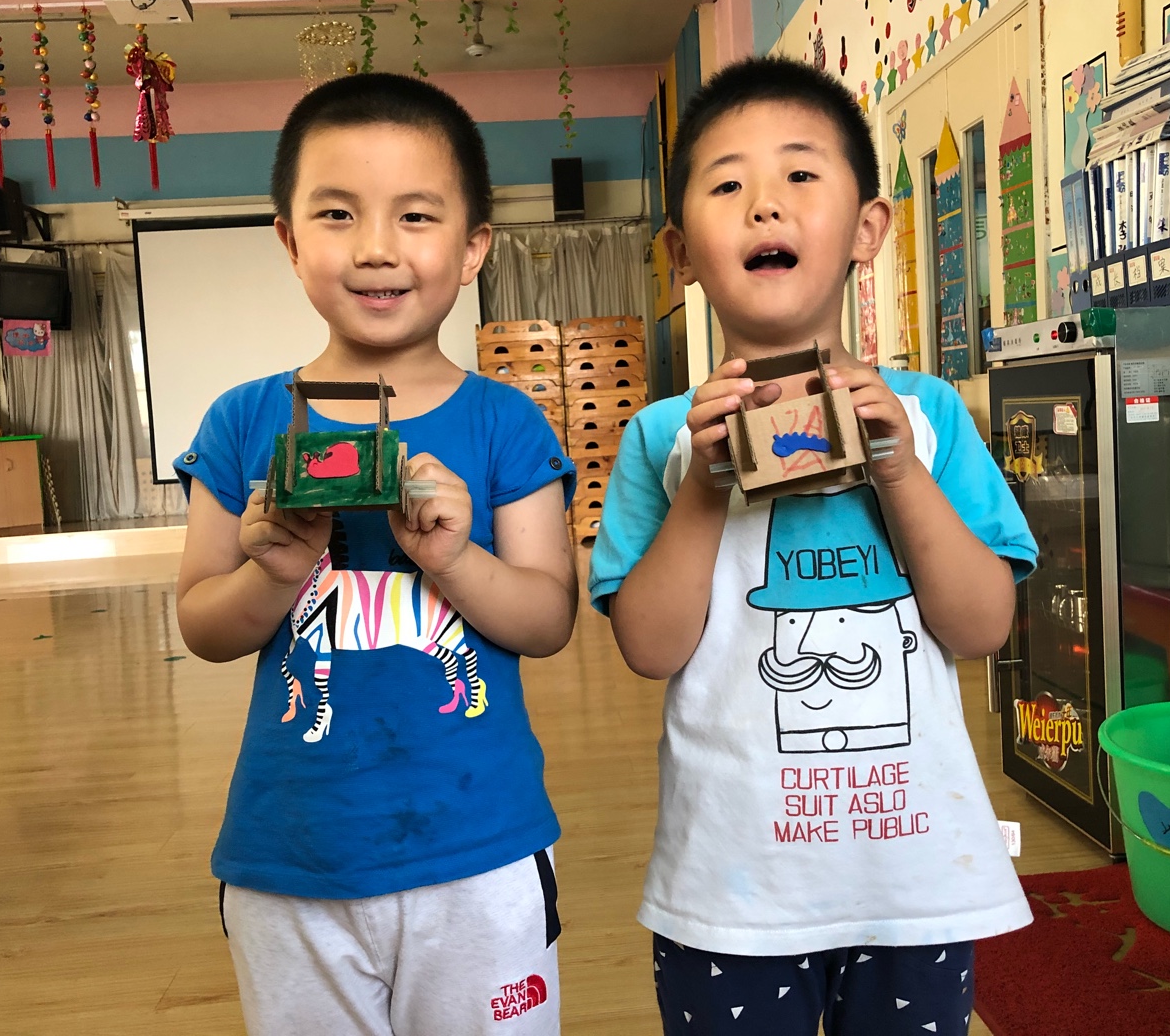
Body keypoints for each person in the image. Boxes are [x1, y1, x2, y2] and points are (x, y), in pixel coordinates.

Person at [589, 56, 1039, 1036]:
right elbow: (649, 648)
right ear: (681, 253)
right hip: (731, 890)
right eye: (726, 185)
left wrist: (898, 467)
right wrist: (705, 484)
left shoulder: (928, 418)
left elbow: (981, 627)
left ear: (867, 230)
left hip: (915, 880)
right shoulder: (662, 438)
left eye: (800, 173)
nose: (765, 204)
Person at [174, 73, 577, 1036]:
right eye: (338, 213)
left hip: (481, 849)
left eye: (416, 215)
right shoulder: (242, 421)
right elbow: (201, 625)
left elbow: (548, 620)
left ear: (473, 246)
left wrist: (455, 559)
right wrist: (273, 572)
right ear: (289, 239)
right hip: (291, 856)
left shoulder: (507, 423)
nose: (376, 248)